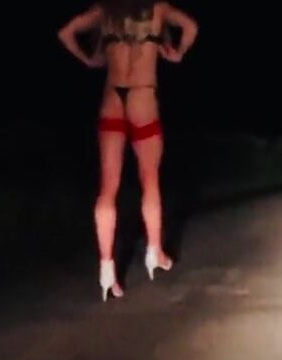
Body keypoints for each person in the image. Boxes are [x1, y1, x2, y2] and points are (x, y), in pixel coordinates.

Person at [58, 1, 199, 301]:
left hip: (112, 98)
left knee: (108, 188)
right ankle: (154, 251)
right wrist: (178, 53)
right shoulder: (158, 9)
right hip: (143, 97)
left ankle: (106, 269)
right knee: (150, 180)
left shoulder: (105, 10)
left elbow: (66, 33)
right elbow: (191, 26)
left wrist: (88, 60)